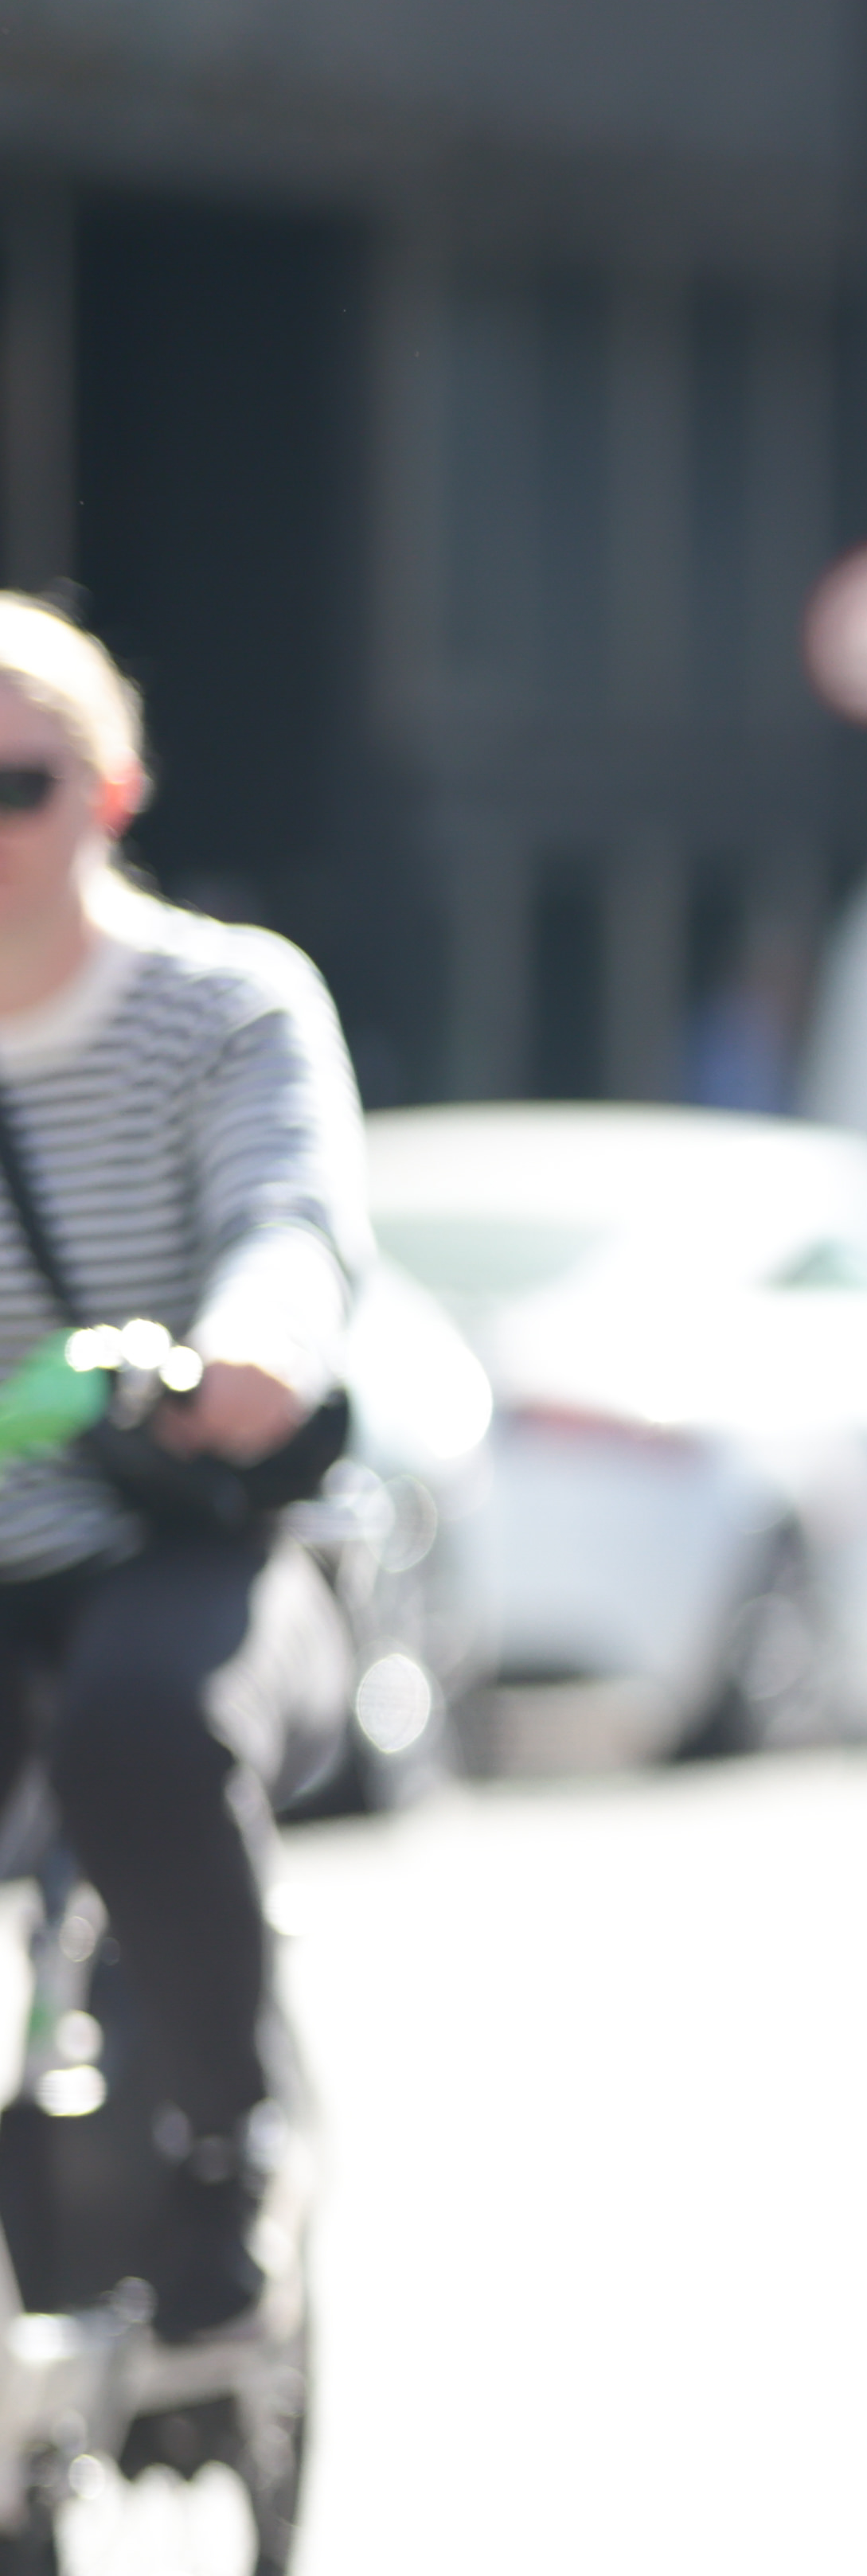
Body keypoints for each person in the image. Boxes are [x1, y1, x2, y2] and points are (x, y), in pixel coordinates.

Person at [0, 598, 364, 2340]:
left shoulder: (225, 1005)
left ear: (112, 792)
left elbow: (289, 1219)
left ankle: (230, 2142)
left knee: (137, 1731)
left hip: (179, 1551)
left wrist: (250, 1349)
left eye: (21, 782)